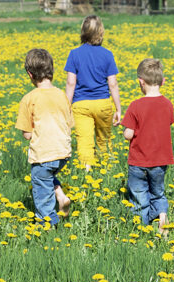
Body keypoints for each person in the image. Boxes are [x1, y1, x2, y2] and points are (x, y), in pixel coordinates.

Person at [16, 48, 72, 227]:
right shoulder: (62, 95)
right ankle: (61, 196)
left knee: (42, 195)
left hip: (43, 155)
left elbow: (27, 135)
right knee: (47, 176)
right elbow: (69, 124)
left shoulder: (29, 99)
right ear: (51, 71)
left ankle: (48, 227)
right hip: (63, 154)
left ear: (29, 74)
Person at [121, 58, 174, 232]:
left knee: (139, 197)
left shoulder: (135, 106)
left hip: (138, 162)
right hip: (160, 160)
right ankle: (162, 216)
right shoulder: (167, 104)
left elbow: (128, 135)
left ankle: (140, 229)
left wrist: (125, 129)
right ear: (163, 82)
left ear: (140, 82)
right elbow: (167, 124)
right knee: (158, 192)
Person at [64, 15, 121, 171]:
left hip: (81, 105)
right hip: (103, 104)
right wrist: (118, 109)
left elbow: (70, 83)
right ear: (101, 32)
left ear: (83, 32)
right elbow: (113, 84)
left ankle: (86, 176)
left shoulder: (74, 54)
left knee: (84, 142)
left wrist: (66, 107)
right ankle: (108, 172)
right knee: (104, 140)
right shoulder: (107, 54)